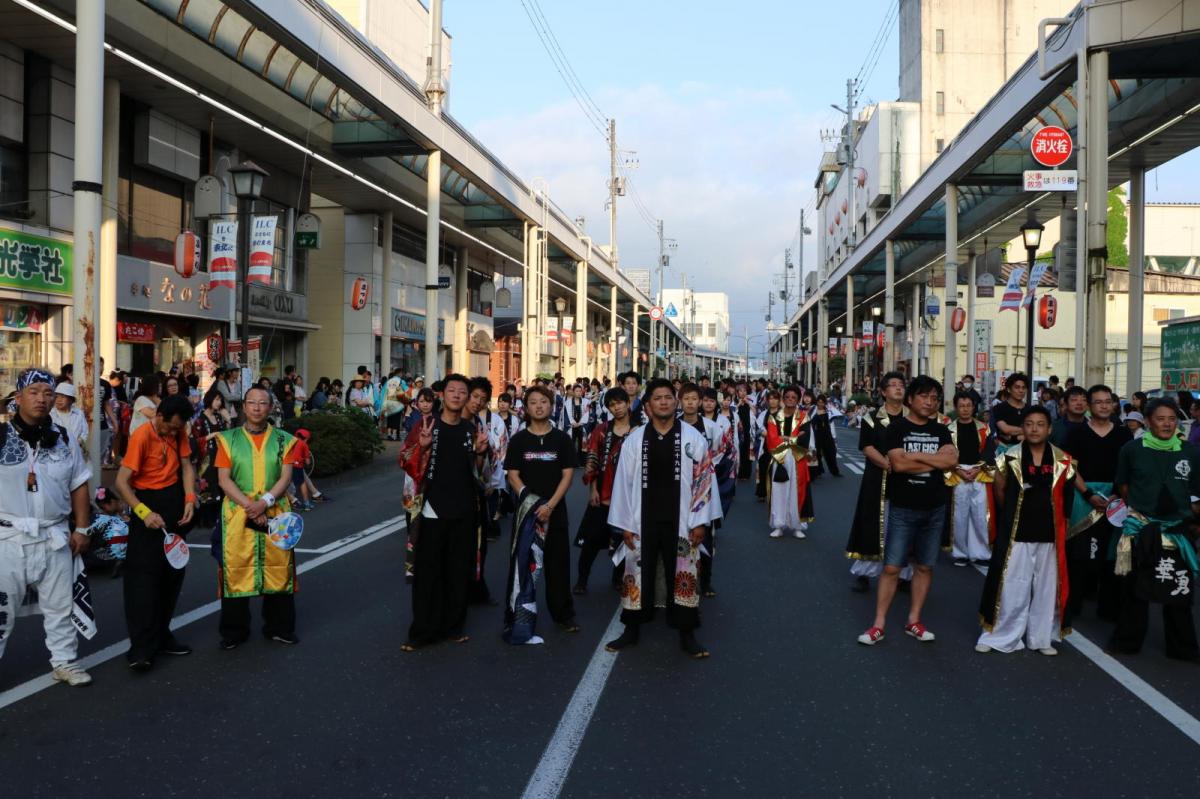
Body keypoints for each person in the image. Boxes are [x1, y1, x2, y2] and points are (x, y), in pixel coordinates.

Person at [605, 378, 722, 658]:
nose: (664, 402)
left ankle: (687, 632)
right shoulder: (634, 440)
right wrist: (624, 525)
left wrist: (700, 522)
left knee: (683, 574)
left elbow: (704, 480)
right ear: (647, 405)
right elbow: (622, 484)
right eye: (657, 398)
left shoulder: (693, 438)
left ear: (676, 401)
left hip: (682, 519)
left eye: (669, 397)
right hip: (641, 519)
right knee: (636, 573)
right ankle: (631, 629)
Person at [0, 369, 94, 685]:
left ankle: (65, 662)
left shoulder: (63, 438)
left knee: (60, 606)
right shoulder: (1, 437)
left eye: (48, 392)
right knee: (2, 611)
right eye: (34, 392)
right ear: (18, 397)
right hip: (8, 537)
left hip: (54, 535)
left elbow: (79, 483)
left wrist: (82, 528)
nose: (42, 398)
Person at [858, 376, 956, 647]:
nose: (930, 401)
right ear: (911, 399)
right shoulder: (897, 428)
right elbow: (897, 466)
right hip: (903, 508)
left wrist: (914, 457)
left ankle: (914, 620)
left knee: (924, 566)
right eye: (924, 396)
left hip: (934, 508)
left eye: (935, 398)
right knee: (891, 567)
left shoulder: (941, 430)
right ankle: (878, 624)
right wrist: (932, 461)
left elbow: (951, 460)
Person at [400, 374, 491, 650]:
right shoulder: (427, 425)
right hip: (431, 511)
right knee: (428, 574)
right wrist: (423, 447)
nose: (456, 395)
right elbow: (405, 460)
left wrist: (480, 453)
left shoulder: (470, 429)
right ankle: (422, 632)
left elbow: (480, 475)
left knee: (457, 573)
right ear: (442, 395)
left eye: (462, 392)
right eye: (451, 390)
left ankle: (453, 627)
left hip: (464, 512)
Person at [976, 406, 1076, 655]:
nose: (1034, 429)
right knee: (1011, 587)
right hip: (1017, 533)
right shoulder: (1009, 456)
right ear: (1023, 427)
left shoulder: (1063, 460)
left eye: (1040, 424)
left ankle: (1040, 638)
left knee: (1046, 588)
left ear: (1049, 429)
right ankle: (998, 636)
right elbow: (999, 491)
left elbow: (1067, 498)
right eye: (1029, 423)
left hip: (1049, 534)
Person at [1110, 399, 1200, 661]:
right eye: (1160, 418)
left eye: (1172, 418)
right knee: (1135, 589)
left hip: (1178, 529)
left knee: (1179, 592)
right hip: (1142, 528)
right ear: (1148, 421)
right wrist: (1141, 514)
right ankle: (1127, 642)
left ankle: (1183, 647)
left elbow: (1196, 491)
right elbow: (1123, 486)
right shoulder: (1132, 449)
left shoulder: (1190, 451)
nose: (1167, 424)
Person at [213, 386, 301, 649]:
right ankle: (234, 631)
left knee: (279, 567)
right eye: (252, 402)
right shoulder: (227, 439)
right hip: (238, 514)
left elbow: (285, 477)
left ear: (271, 406)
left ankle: (279, 627)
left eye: (263, 403)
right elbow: (223, 480)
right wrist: (251, 506)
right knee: (236, 568)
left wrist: (265, 502)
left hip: (275, 512)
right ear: (244, 406)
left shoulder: (285, 439)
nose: (257, 408)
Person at [114, 394, 197, 671]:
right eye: (170, 427)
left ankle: (162, 635)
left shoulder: (179, 432)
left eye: (178, 428)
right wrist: (143, 513)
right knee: (143, 581)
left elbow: (186, 466)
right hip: (147, 504)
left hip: (174, 503)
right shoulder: (141, 436)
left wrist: (189, 498)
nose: (174, 432)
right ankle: (141, 648)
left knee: (172, 574)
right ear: (158, 416)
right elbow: (121, 482)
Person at [504, 385, 579, 635]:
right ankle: (517, 615)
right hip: (527, 513)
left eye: (543, 402)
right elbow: (512, 474)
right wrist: (531, 502)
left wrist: (549, 505)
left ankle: (563, 614)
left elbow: (568, 476)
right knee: (523, 565)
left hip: (555, 512)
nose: (538, 406)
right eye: (533, 402)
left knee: (558, 565)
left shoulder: (562, 439)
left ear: (551, 406)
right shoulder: (518, 440)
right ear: (526, 408)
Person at [1062, 385, 1131, 625]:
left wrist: (1114, 495)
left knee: (1112, 553)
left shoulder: (1124, 435)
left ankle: (1109, 607)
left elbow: (1127, 470)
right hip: (1084, 498)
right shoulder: (1077, 433)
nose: (1103, 405)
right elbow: (1070, 467)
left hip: (1116, 499)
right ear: (1090, 406)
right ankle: (1073, 604)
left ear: (1113, 404)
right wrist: (1089, 493)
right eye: (1098, 401)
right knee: (1079, 554)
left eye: (1107, 401)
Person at [846, 372, 908, 591]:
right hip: (878, 477)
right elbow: (866, 446)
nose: (898, 389)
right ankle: (865, 572)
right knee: (873, 523)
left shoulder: (912, 417)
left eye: (901, 385)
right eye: (893, 385)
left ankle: (903, 574)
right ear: (883, 391)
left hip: (907, 477)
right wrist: (886, 463)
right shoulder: (872, 418)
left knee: (904, 524)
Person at [576, 387, 634, 593]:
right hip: (603, 493)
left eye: (620, 403)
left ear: (628, 403)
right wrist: (593, 489)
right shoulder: (601, 429)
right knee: (591, 540)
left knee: (623, 542)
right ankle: (582, 580)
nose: (616, 408)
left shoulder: (639, 430)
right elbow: (592, 459)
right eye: (612, 405)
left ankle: (617, 578)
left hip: (628, 498)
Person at [947, 391, 996, 567]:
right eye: (961, 406)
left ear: (974, 407)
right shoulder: (949, 429)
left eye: (968, 406)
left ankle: (982, 552)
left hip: (979, 472)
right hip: (957, 473)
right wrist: (958, 470)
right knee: (959, 515)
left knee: (980, 515)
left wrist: (978, 468)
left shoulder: (984, 428)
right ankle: (960, 552)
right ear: (956, 407)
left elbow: (989, 451)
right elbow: (946, 454)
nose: (965, 409)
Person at [765, 386, 815, 539]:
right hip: (779, 458)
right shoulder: (774, 417)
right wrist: (794, 438)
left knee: (797, 492)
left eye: (794, 397)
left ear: (798, 399)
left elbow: (804, 440)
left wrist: (786, 438)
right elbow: (772, 440)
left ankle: (797, 525)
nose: (790, 400)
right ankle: (778, 525)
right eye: (787, 397)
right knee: (779, 491)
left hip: (797, 459)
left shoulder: (804, 417)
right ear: (783, 398)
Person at [465, 377, 497, 605]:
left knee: (478, 545)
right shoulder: (444, 422)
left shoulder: (478, 425)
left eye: (482, 400)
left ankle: (476, 588)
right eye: (474, 396)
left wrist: (488, 483)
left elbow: (481, 464)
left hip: (474, 496)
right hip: (447, 498)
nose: (477, 402)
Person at [191, 389, 230, 528]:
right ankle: (205, 520)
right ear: (209, 400)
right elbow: (194, 441)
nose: (219, 403)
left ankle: (217, 517)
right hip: (206, 458)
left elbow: (226, 434)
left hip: (219, 455)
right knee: (207, 486)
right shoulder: (200, 419)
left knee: (220, 484)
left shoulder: (219, 417)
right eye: (216, 399)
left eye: (220, 400)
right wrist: (212, 435)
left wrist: (228, 420)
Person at [991, 372, 1029, 451]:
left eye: (1023, 388)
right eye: (1017, 387)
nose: (1021, 390)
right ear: (1009, 389)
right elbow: (1005, 429)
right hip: (1004, 451)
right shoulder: (999, 408)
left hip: (1026, 450)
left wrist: (1013, 436)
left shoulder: (1030, 410)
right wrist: (1026, 431)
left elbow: (1033, 432)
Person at [754, 390, 780, 501]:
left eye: (775, 398)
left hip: (779, 447)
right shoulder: (764, 414)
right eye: (771, 398)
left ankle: (776, 494)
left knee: (777, 471)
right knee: (763, 470)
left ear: (779, 400)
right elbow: (757, 428)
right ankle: (762, 493)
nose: (773, 401)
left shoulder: (783, 414)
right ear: (767, 400)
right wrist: (764, 433)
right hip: (765, 446)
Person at [50, 382, 89, 454]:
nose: (59, 400)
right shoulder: (50, 414)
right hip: (56, 454)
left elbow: (85, 432)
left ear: (71, 400)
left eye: (63, 397)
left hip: (76, 452)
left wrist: (79, 442)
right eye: (57, 396)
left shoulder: (78, 413)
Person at [809, 394, 840, 477]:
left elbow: (831, 425)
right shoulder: (813, 411)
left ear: (824, 403)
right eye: (819, 402)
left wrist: (834, 437)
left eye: (822, 402)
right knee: (817, 454)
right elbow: (810, 423)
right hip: (817, 435)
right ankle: (818, 471)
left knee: (831, 453)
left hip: (827, 435)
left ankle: (835, 471)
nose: (820, 404)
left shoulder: (829, 412)